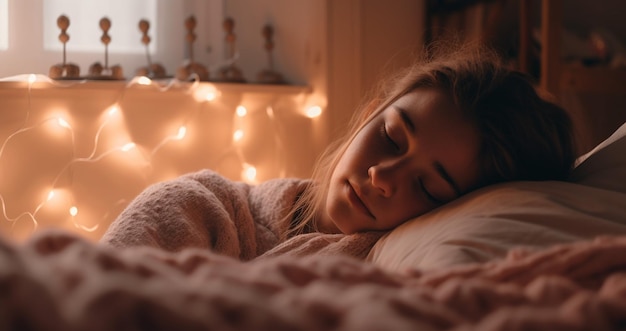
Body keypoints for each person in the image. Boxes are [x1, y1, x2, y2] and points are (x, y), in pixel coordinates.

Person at [100, 41, 576, 259]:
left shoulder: (391, 278)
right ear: (370, 112)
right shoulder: (201, 206)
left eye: (428, 187)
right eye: (390, 137)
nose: (383, 177)